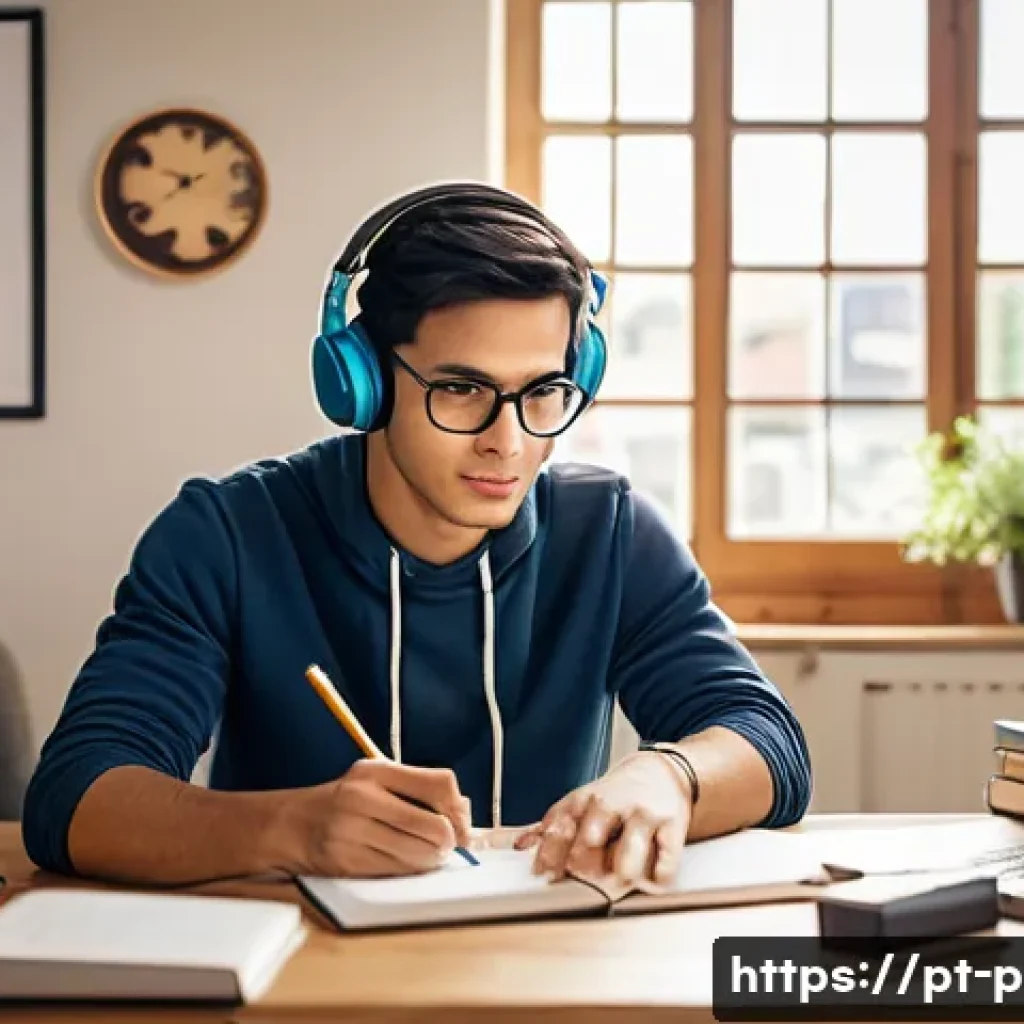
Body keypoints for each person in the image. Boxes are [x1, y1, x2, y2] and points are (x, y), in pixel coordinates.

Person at [22, 182, 811, 889]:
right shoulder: (224, 535)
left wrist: (670, 776)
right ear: (361, 383)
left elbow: (765, 741)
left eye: (544, 392)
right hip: (298, 978)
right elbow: (77, 793)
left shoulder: (610, 532)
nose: (509, 441)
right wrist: (290, 828)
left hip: (545, 969)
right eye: (463, 389)